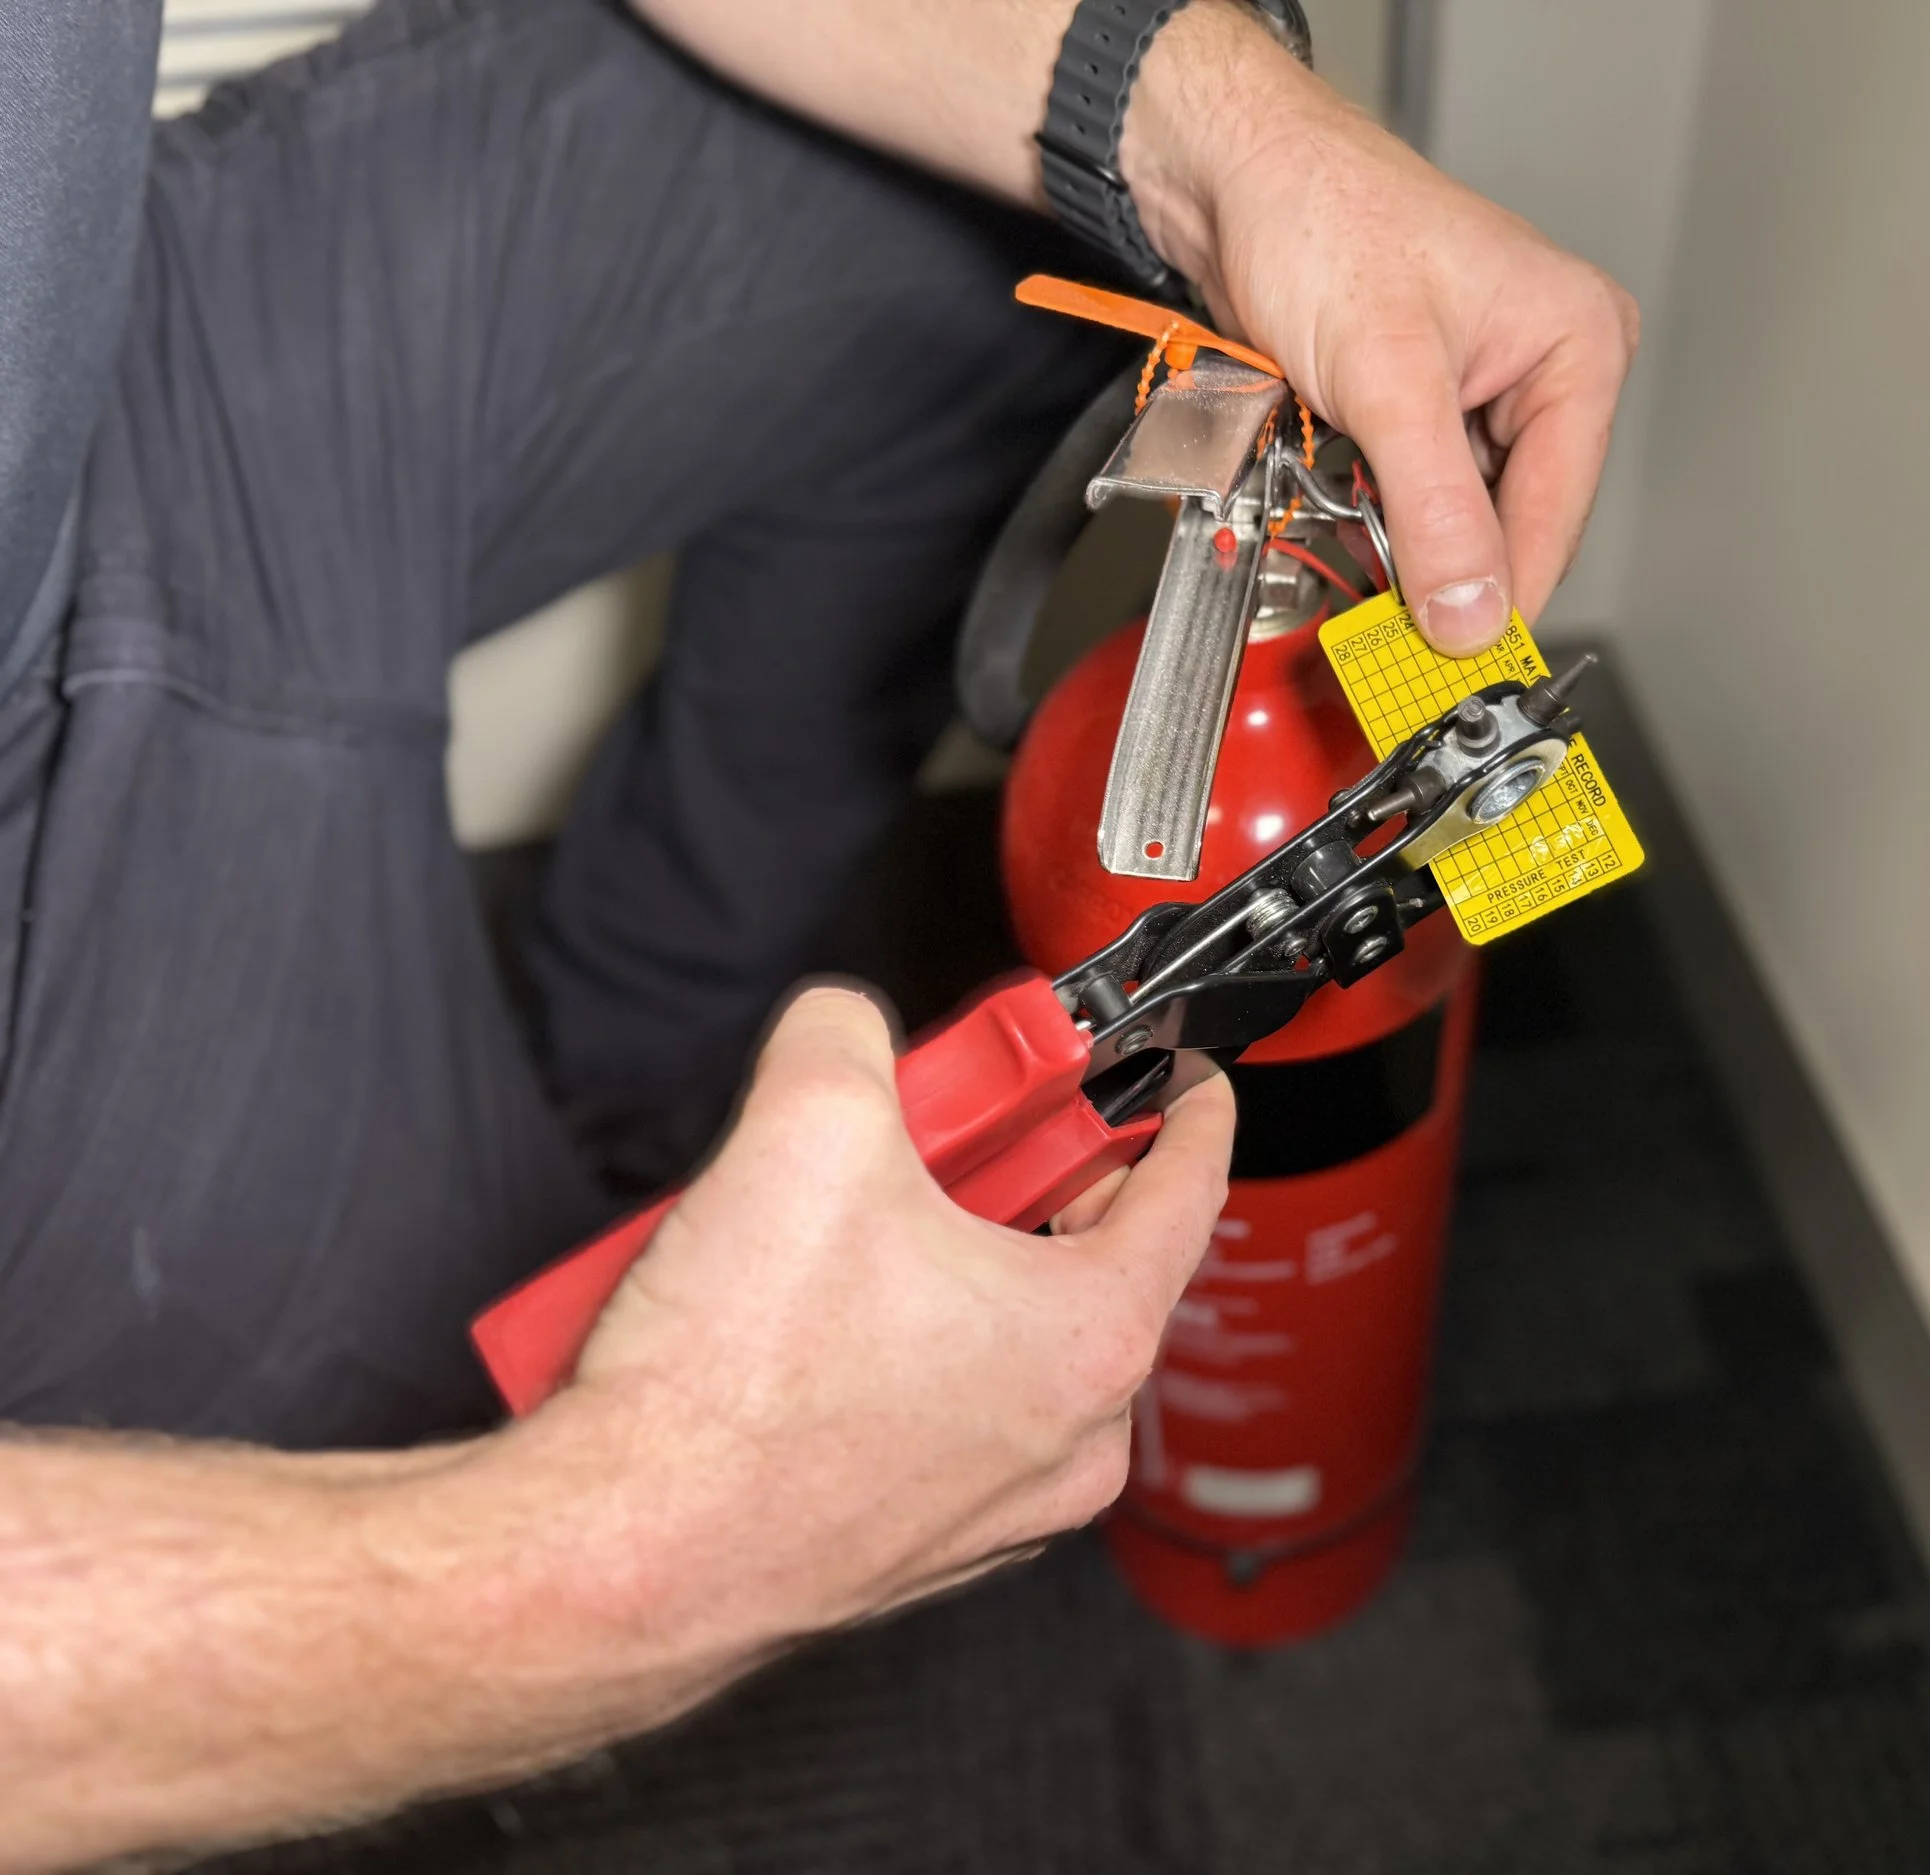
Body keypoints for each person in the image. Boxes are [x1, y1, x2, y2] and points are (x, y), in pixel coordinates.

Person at [0, 0, 1637, 1864]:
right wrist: (571, 1581)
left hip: (89, 362)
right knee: (416, 1442)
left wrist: (1205, 117)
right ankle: (602, 1335)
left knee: (1058, 215)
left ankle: (665, 1104)